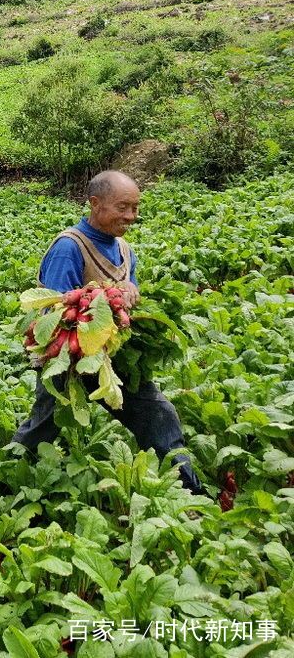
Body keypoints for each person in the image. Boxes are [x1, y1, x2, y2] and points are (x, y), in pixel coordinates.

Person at [11, 170, 205, 494]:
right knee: (42, 428)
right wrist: (98, 301)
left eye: (135, 207)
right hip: (66, 361)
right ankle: (9, 479)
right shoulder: (69, 247)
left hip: (113, 359)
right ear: (95, 203)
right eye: (123, 207)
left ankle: (190, 491)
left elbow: (132, 294)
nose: (131, 216)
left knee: (159, 413)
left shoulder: (126, 250)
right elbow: (55, 314)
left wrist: (130, 290)